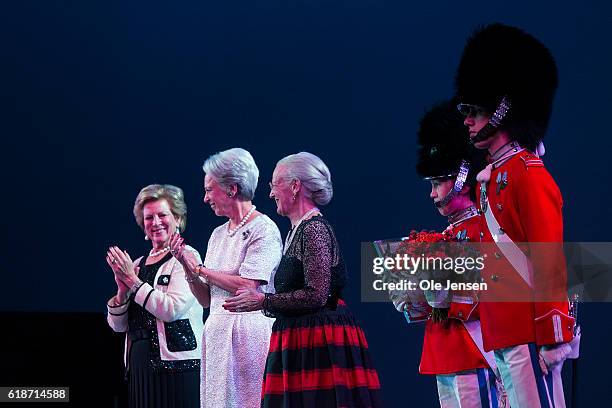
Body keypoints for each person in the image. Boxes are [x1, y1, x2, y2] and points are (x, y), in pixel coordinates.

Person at [454, 23, 576, 407]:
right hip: (503, 329)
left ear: (503, 109)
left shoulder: (528, 175)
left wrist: (553, 333)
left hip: (530, 330)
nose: (467, 120)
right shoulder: (492, 180)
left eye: (474, 111)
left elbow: (548, 260)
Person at [223, 152, 382, 408]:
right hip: (300, 336)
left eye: (275, 184)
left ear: (295, 186)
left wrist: (263, 300)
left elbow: (317, 293)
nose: (271, 193)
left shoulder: (314, 229)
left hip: (317, 342)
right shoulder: (297, 230)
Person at [390, 101, 502, 407]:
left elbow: (494, 297)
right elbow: (426, 309)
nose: (433, 193)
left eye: (439, 182)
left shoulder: (485, 229)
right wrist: (407, 288)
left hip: (474, 351)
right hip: (444, 351)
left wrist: (442, 292)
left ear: (463, 179)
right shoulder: (444, 237)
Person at [169, 148, 282, 408]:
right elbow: (207, 299)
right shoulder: (217, 234)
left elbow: (248, 287)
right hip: (217, 335)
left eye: (210, 189)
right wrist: (187, 266)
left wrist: (200, 270)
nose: (205, 198)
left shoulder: (263, 229)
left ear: (231, 189)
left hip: (248, 334)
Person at [106, 184, 203, 408]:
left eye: (162, 215)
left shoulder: (187, 257)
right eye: (149, 217)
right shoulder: (137, 265)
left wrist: (132, 281)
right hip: (139, 365)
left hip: (178, 366)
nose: (156, 222)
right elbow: (118, 326)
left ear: (177, 219)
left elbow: (171, 310)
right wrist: (122, 291)